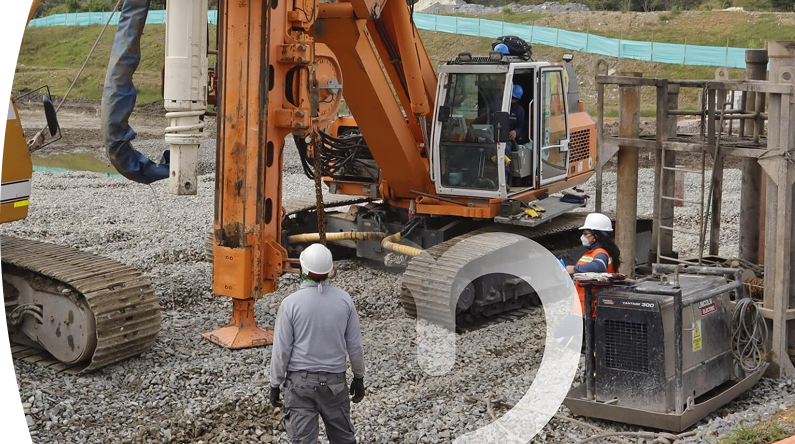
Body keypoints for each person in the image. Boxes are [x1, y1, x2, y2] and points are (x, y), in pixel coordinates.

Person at [269, 243, 365, 444]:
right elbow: (354, 345)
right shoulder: (344, 300)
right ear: (330, 270)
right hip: (335, 384)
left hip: (300, 385)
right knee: (343, 439)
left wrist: (275, 383)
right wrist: (358, 377)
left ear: (302, 268)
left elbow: (281, 351)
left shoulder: (290, 304)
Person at [566, 213, 621, 316]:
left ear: (597, 235)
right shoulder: (596, 252)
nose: (583, 237)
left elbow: (599, 266)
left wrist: (575, 269)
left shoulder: (600, 253)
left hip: (590, 308)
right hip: (586, 305)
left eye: (586, 234)